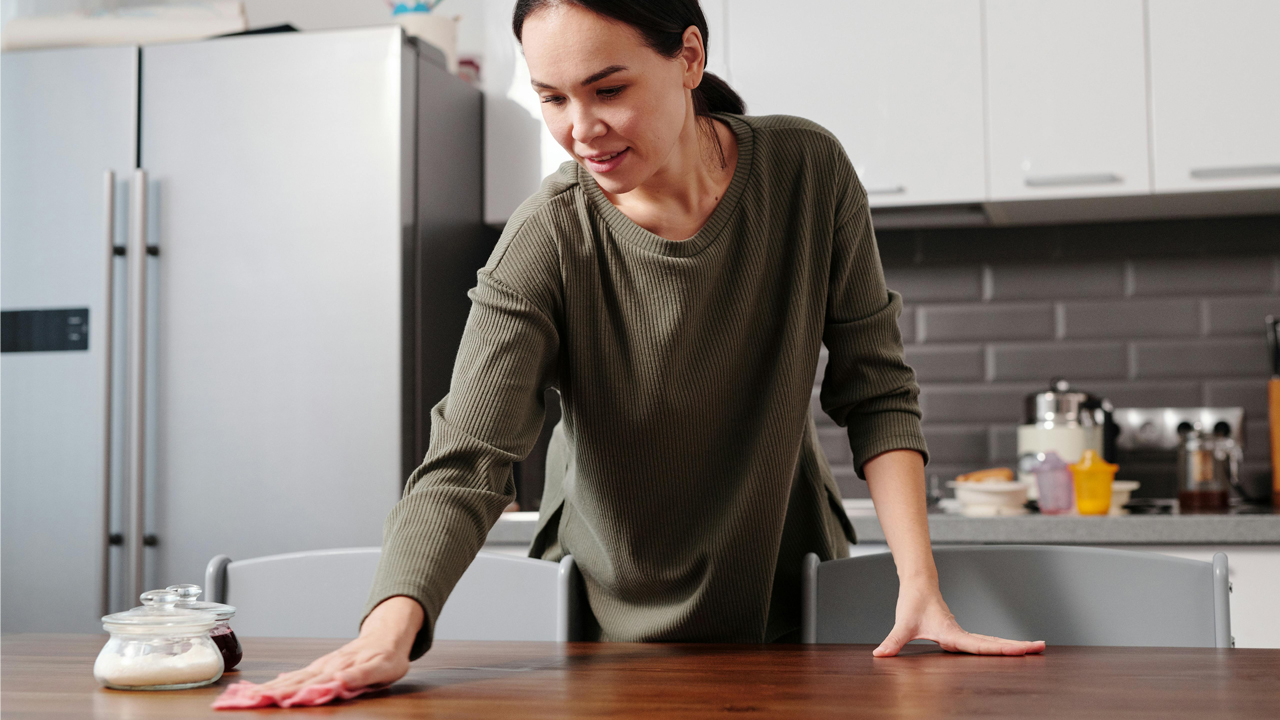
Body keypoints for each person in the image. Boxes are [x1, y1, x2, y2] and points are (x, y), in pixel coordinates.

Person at [253, 0, 1045, 700]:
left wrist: (919, 583)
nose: (580, 130)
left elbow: (876, 392)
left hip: (785, 585)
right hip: (605, 616)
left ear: (689, 58)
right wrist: (388, 633)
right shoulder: (549, 235)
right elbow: (467, 457)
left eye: (608, 89)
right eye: (551, 98)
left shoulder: (807, 171)